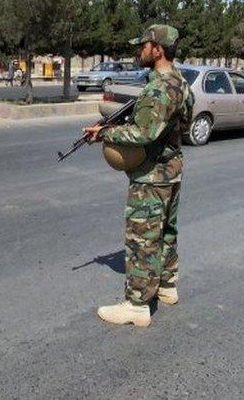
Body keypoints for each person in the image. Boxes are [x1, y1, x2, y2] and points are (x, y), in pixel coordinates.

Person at [83, 24, 193, 328]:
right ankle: (167, 286)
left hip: (152, 175)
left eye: (143, 46)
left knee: (142, 239)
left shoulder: (159, 88)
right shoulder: (180, 82)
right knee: (166, 232)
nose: (139, 51)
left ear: (157, 49)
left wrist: (106, 132)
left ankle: (137, 305)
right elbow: (181, 124)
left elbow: (143, 132)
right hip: (172, 169)